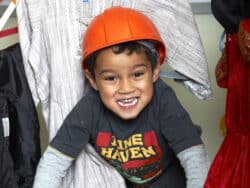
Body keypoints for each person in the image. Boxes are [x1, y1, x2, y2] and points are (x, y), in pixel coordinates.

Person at [33, 6, 210, 188]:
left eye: (137, 74)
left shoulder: (163, 100)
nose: (126, 88)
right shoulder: (89, 108)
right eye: (111, 78)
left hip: (169, 179)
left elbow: (195, 159)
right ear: (92, 79)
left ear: (155, 70)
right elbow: (53, 163)